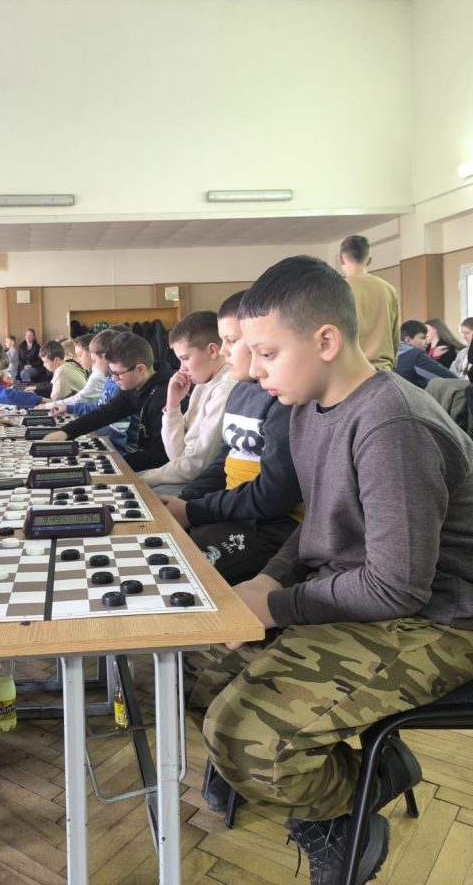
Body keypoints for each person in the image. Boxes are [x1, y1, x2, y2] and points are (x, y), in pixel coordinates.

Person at [193, 256, 473, 885]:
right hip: (362, 596)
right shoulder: (307, 407)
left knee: (246, 739)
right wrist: (269, 580)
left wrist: (276, 607)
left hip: (441, 619)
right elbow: (317, 521)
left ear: (325, 341)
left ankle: (345, 803)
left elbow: (397, 587)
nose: (253, 369)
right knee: (195, 667)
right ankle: (359, 773)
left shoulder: (392, 423)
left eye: (267, 353)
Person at [161, 295, 302, 582]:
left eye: (232, 340)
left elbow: (273, 496)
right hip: (231, 512)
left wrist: (193, 511)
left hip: (270, 527)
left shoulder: (285, 400)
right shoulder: (239, 391)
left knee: (181, 577)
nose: (223, 350)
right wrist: (184, 502)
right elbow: (221, 462)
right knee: (160, 546)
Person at [44, 331, 172, 472]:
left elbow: (161, 455)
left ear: (140, 369)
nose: (113, 379)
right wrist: (66, 432)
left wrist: (117, 463)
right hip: (147, 459)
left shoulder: (164, 397)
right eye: (111, 372)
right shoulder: (134, 386)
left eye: (117, 374)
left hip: (165, 469)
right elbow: (105, 413)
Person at [138, 309, 233, 496]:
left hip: (209, 486)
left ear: (212, 351)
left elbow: (197, 466)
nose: (182, 369)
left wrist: (145, 478)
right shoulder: (202, 385)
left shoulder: (225, 389)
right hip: (191, 477)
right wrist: (172, 405)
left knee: (142, 494)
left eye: (185, 358)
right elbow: (176, 455)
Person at [50, 329, 137, 454]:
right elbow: (100, 407)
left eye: (94, 361)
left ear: (107, 357)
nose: (94, 366)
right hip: (116, 438)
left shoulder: (120, 385)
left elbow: (119, 427)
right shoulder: (110, 380)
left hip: (126, 448)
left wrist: (117, 457)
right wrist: (68, 408)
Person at [337, 234, 399, 372]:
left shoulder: (336, 289)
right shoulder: (389, 289)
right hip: (383, 369)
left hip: (349, 370)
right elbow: (395, 334)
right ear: (369, 260)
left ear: (341, 259)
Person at [395, 320, 458, 388]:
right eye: (423, 338)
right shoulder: (415, 355)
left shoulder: (394, 354)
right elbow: (452, 379)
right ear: (408, 340)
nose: (427, 342)